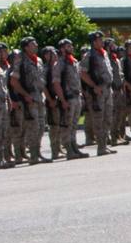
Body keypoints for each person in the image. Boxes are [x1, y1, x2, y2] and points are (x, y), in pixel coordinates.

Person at [10, 37, 50, 165]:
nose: (36, 45)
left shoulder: (38, 60)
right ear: (26, 47)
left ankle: (37, 153)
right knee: (33, 127)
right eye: (33, 44)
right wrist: (25, 95)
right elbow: (14, 81)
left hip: (39, 98)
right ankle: (33, 156)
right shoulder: (20, 60)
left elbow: (41, 82)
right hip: (28, 100)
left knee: (41, 127)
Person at [52, 39, 87, 160]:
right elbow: (56, 83)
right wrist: (62, 100)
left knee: (73, 125)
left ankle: (74, 148)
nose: (71, 47)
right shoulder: (60, 63)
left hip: (76, 97)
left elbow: (78, 80)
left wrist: (81, 94)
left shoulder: (74, 62)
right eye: (68, 46)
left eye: (71, 45)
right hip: (67, 98)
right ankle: (69, 150)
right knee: (66, 125)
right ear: (62, 49)